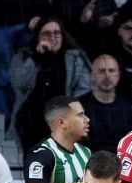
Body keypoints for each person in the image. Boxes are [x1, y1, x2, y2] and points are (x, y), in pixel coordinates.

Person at [8, 17, 91, 156]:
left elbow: (85, 88)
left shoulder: (76, 57)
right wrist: (36, 57)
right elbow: (20, 83)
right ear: (38, 36)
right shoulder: (24, 56)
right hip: (31, 121)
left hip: (65, 121)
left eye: (57, 33)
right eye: (46, 33)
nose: (52, 37)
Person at [50, 0, 118, 60]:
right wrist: (82, 23)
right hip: (69, 57)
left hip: (103, 58)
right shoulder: (59, 1)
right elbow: (60, 35)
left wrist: (109, 25)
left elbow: (115, 33)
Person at [77, 55, 132, 153]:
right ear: (92, 75)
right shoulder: (78, 107)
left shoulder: (129, 109)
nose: (107, 75)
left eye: (111, 71)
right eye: (102, 71)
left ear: (118, 76)